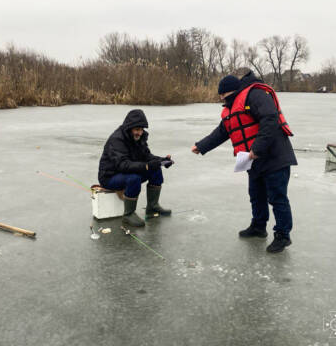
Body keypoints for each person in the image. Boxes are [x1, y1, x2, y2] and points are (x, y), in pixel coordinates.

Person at [191, 71, 297, 253]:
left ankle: (283, 235)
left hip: (274, 157)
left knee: (277, 198)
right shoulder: (231, 109)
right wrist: (201, 146)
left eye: (221, 95)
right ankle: (258, 226)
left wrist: (257, 148)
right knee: (256, 195)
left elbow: (270, 119)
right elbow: (222, 132)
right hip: (253, 161)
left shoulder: (255, 95)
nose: (220, 99)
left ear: (227, 92)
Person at [98, 109, 173, 227]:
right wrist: (147, 166)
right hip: (109, 176)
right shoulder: (117, 139)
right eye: (137, 129)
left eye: (142, 129)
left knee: (156, 170)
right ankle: (128, 215)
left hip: (126, 172)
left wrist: (161, 160)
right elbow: (122, 165)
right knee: (134, 178)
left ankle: (152, 207)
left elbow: (147, 156)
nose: (140, 132)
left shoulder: (138, 138)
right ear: (129, 128)